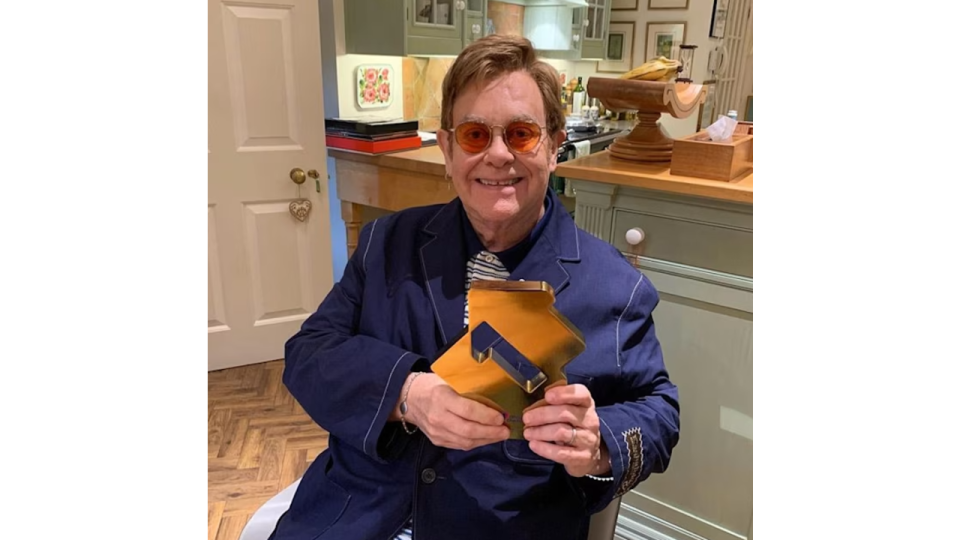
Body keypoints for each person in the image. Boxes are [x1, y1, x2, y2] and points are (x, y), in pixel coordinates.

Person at [270, 34, 680, 540]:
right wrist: (407, 392)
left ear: (554, 147)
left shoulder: (617, 288)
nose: (499, 155)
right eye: (474, 136)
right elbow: (308, 354)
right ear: (447, 149)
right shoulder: (385, 245)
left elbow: (659, 412)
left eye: (522, 134)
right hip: (359, 515)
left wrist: (599, 444)